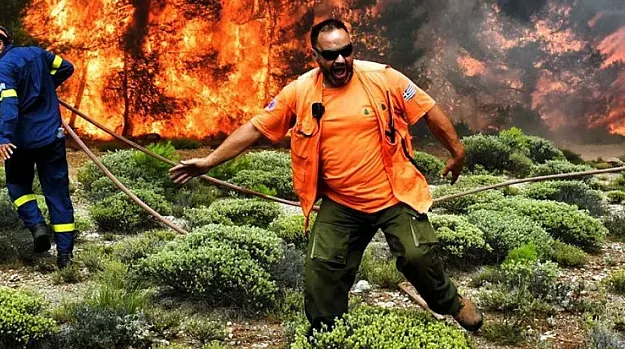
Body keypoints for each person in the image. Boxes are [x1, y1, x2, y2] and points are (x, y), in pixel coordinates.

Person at [169, 18, 482, 332]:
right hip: (341, 203)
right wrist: (209, 161)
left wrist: (457, 151)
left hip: (394, 194)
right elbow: (255, 127)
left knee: (417, 257)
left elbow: (428, 109)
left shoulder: (383, 78)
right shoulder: (300, 91)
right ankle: (328, 335)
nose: (341, 60)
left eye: (346, 51)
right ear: (316, 57)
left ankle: (451, 304)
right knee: (321, 271)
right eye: (331, 55)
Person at [0, 24, 77, 268]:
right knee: (58, 195)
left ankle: (37, 226)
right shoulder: (38, 53)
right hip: (51, 138)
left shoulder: (3, 66)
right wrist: (46, 87)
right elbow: (67, 67)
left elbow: (9, 103)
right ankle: (65, 257)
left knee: (17, 186)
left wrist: (3, 137)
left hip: (21, 142)